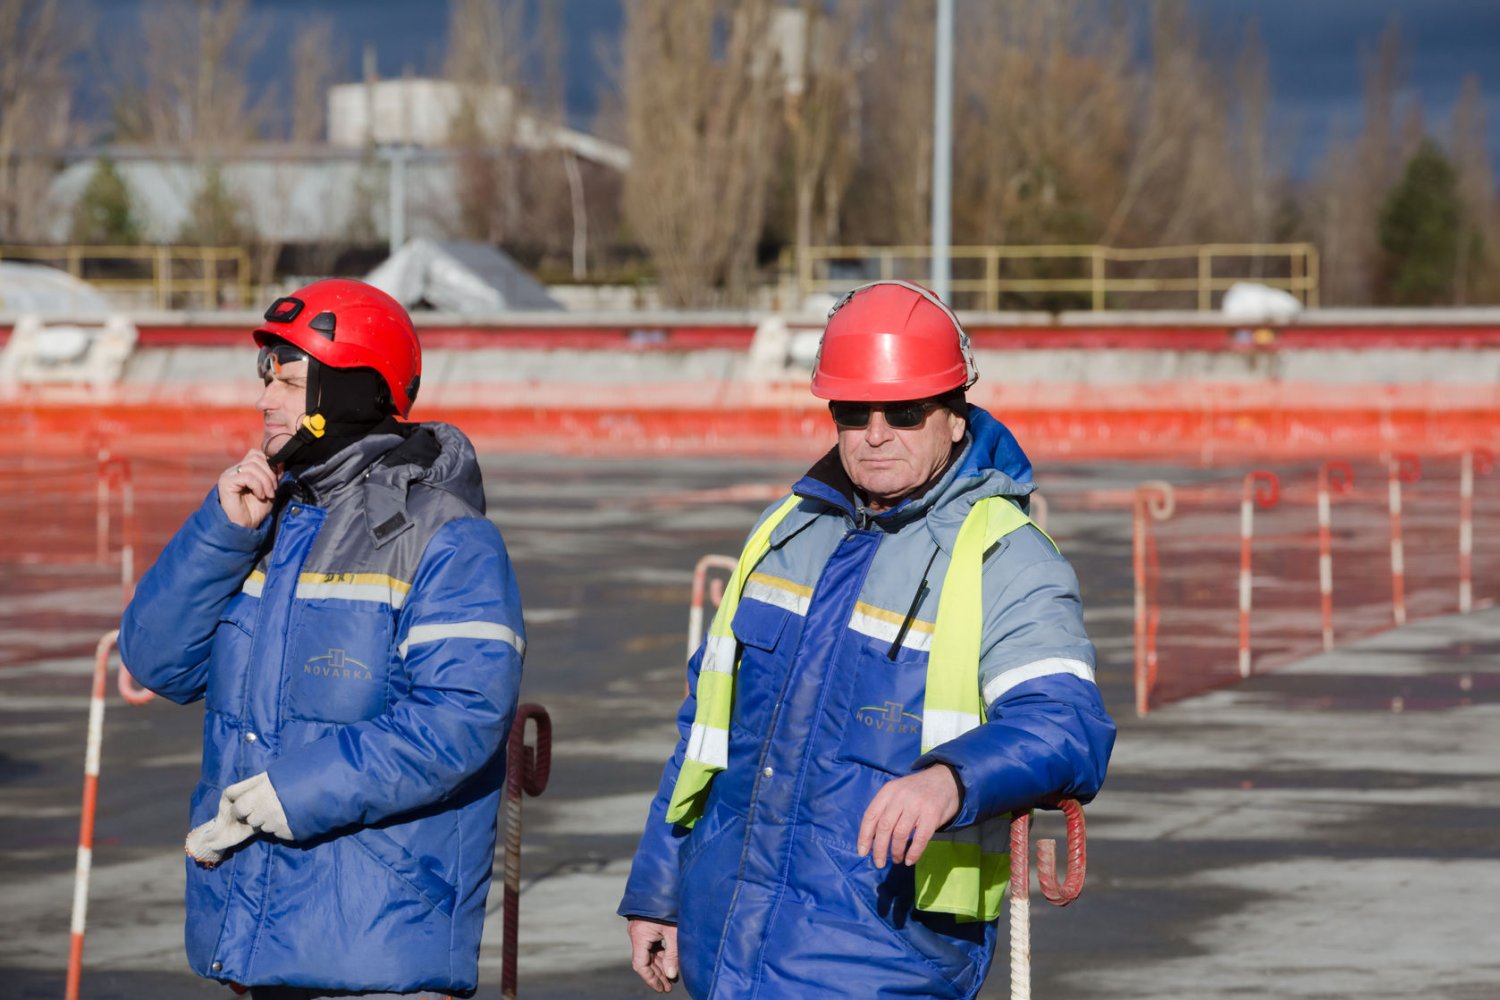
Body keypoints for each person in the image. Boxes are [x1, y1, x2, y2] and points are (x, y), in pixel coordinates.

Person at [619, 280, 1115, 999]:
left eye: (905, 412)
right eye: (854, 412)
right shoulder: (783, 532)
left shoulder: (1006, 557)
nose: (876, 433)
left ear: (954, 416)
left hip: (882, 965)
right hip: (722, 950)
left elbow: (1067, 725)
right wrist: (657, 891)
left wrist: (951, 778)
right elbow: (706, 733)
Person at [119, 278, 525, 999]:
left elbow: (460, 720)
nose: (264, 400)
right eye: (263, 378)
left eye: (287, 379)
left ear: (348, 391)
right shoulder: (267, 520)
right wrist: (222, 532)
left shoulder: (449, 537)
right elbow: (155, 660)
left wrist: (296, 791)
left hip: (375, 955)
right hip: (258, 941)